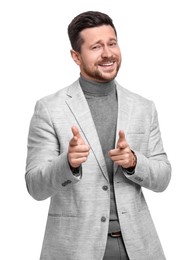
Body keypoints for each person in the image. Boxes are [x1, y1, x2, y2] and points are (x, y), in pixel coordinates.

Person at [25, 10, 171, 260]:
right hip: (75, 249)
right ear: (76, 56)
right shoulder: (50, 108)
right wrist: (68, 163)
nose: (107, 53)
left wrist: (135, 162)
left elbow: (163, 177)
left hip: (137, 248)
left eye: (112, 43)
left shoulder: (143, 107)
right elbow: (35, 186)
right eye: (95, 47)